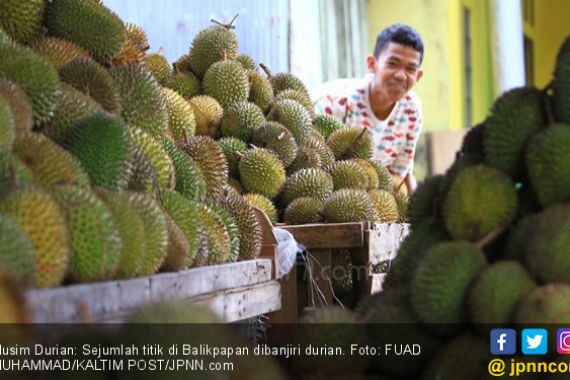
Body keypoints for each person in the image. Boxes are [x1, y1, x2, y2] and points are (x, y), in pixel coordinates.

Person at [314, 23, 424, 194]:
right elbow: (312, 164)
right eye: (393, 64)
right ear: (372, 64)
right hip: (329, 192)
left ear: (418, 76)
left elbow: (400, 175)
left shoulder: (412, 111)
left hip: (374, 197)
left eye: (410, 69)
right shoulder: (336, 104)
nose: (401, 75)